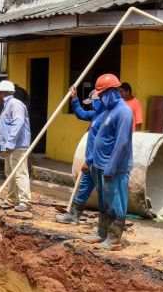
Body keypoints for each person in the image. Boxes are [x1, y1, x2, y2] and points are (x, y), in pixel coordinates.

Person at [85, 73, 134, 249]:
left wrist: (110, 168)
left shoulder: (123, 112)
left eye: (102, 94)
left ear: (112, 92)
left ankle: (114, 240)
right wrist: (91, 160)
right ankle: (102, 233)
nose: (101, 98)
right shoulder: (108, 110)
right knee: (104, 202)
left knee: (115, 202)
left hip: (113, 168)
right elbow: (98, 136)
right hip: (99, 164)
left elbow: (122, 143)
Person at [56, 87, 106, 224]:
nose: (91, 105)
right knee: (83, 189)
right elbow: (81, 114)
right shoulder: (95, 115)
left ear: (100, 101)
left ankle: (104, 225)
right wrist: (74, 98)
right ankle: (73, 216)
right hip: (90, 162)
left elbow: (101, 144)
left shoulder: (105, 118)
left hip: (99, 162)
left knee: (104, 194)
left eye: (93, 102)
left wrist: (89, 161)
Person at [0, 80, 32, 213]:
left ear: (2, 93)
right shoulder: (7, 106)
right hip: (9, 146)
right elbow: (3, 128)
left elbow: (18, 124)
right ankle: (12, 199)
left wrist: (10, 142)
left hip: (18, 146)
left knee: (19, 173)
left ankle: (25, 201)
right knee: (10, 173)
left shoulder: (16, 105)